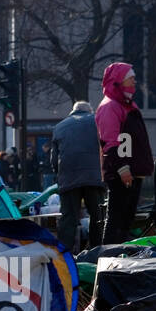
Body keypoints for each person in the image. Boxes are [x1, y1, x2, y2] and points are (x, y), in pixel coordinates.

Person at [96, 62, 154, 245]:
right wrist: (122, 168)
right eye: (131, 79)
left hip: (131, 171)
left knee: (125, 220)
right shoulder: (111, 106)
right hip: (121, 173)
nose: (134, 83)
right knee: (116, 220)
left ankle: (118, 255)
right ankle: (108, 256)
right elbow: (110, 141)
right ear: (119, 82)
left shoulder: (126, 104)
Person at [50, 100, 104, 252]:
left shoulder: (59, 127)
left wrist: (59, 176)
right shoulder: (97, 122)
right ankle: (97, 252)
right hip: (94, 176)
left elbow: (54, 160)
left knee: (68, 218)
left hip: (68, 178)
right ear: (90, 111)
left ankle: (65, 254)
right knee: (97, 216)